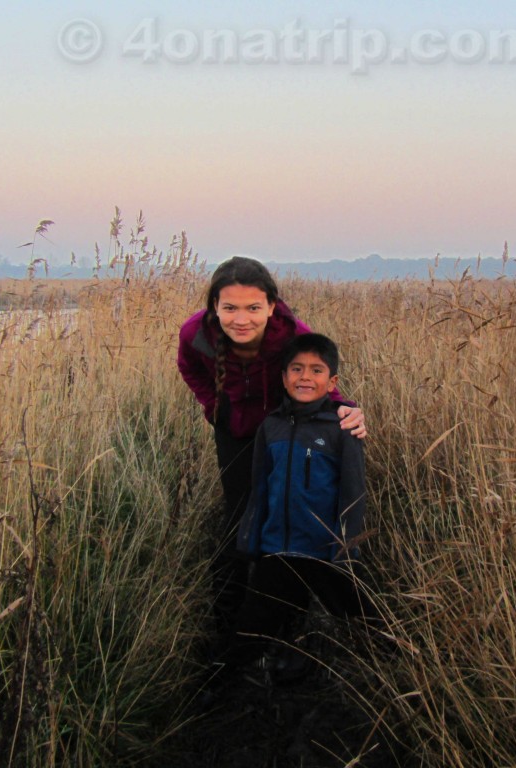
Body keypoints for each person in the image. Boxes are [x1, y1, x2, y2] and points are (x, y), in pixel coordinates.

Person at [177, 257, 365, 634]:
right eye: (229, 308)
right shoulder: (195, 333)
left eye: (253, 308)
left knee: (283, 511)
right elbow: (189, 368)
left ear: (271, 306)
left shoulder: (293, 333)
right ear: (214, 306)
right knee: (241, 515)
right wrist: (213, 405)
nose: (241, 319)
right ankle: (236, 613)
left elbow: (317, 378)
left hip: (284, 432)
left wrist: (346, 410)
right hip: (233, 430)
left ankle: (292, 608)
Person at [226, 333, 380, 674]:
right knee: (252, 627)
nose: (305, 378)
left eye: (316, 370)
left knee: (362, 622)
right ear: (283, 377)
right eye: (296, 369)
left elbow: (353, 492)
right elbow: (260, 488)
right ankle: (229, 683)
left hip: (323, 551)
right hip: (277, 549)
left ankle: (389, 669)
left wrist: (345, 548)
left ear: (332, 382)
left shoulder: (343, 428)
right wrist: (251, 541)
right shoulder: (272, 426)